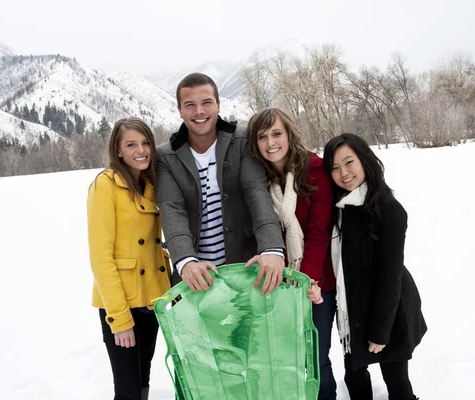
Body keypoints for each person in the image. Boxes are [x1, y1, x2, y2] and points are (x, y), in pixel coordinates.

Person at [156, 73, 285, 294]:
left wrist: (272, 248)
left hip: (246, 270)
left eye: (206, 102)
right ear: (179, 110)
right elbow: (171, 209)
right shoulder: (166, 156)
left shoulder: (243, 140)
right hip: (198, 279)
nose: (199, 111)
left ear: (218, 104)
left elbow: (256, 192)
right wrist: (186, 261)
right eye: (190, 105)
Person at [323, 134, 427, 400]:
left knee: (396, 379)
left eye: (349, 162)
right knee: (354, 373)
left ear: (365, 161)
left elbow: (390, 277)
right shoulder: (339, 207)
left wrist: (381, 330)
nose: (343, 173)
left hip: (387, 309)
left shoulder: (389, 210)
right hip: (352, 307)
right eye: (335, 167)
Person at [247, 107, 337, 399]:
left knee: (316, 357)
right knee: (286, 360)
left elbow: (318, 233)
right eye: (263, 137)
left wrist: (307, 279)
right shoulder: (257, 178)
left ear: (289, 135)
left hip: (315, 282)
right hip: (275, 283)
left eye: (277, 133)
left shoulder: (314, 170)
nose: (271, 142)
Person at [87, 117, 171, 400]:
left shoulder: (150, 183)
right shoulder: (105, 185)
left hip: (152, 298)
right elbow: (101, 257)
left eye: (146, 143)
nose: (141, 150)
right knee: (127, 388)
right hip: (121, 301)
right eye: (131, 144)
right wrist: (120, 319)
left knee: (142, 376)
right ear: (118, 150)